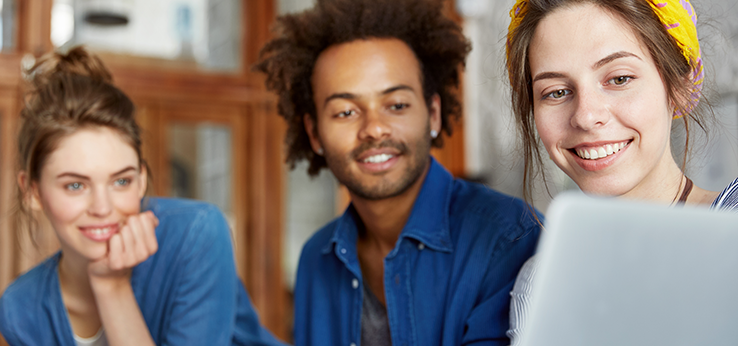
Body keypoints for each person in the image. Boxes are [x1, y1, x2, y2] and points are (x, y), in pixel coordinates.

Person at [254, 0, 542, 345]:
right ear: (314, 133)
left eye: (397, 105)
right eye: (345, 112)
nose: (374, 129)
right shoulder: (317, 258)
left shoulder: (510, 239)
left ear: (433, 113)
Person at [0, 47, 284, 346]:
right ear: (32, 192)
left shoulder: (196, 235)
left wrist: (112, 287)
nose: (102, 207)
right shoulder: (21, 310)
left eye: (121, 181)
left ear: (141, 180)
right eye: (75, 185)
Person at [503, 0, 738, 344]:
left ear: (680, 87)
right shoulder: (540, 285)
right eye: (557, 92)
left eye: (619, 78)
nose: (585, 116)